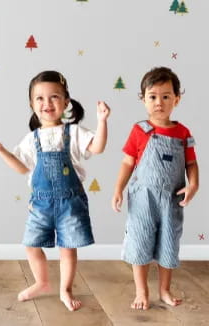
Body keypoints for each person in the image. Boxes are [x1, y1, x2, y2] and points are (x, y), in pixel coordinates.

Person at [0, 70, 110, 311]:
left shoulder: (74, 132)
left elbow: (97, 147)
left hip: (70, 203)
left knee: (68, 248)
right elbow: (22, 168)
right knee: (31, 245)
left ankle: (65, 289)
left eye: (54, 97)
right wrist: (2, 152)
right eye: (40, 98)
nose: (47, 103)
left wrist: (102, 121)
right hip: (41, 205)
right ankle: (41, 282)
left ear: (66, 101)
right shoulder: (31, 138)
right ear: (32, 104)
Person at [112, 66, 198, 310]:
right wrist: (118, 188)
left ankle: (164, 290)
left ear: (177, 99)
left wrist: (194, 184)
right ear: (143, 99)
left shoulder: (183, 133)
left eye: (166, 96)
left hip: (172, 200)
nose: (158, 102)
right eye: (152, 96)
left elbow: (191, 164)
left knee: (169, 244)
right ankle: (142, 290)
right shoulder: (140, 131)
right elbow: (128, 162)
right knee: (139, 242)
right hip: (143, 200)